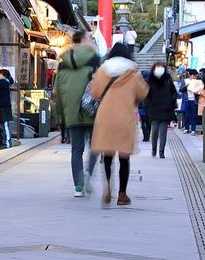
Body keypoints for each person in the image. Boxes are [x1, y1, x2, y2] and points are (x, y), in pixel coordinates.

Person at [89, 42, 149, 206]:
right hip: (125, 118)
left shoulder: (103, 71)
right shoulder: (133, 73)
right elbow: (143, 93)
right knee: (124, 158)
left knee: (107, 156)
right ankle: (122, 195)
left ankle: (107, 188)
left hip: (106, 117)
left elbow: (94, 92)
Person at [51, 31, 100, 198]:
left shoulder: (63, 62)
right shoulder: (94, 59)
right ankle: (87, 173)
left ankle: (78, 187)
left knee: (76, 150)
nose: (92, 40)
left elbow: (57, 93)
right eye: (90, 37)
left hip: (72, 113)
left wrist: (60, 117)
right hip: (92, 111)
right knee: (95, 147)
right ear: (84, 40)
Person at [144, 60, 178, 158]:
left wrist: (172, 100)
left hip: (166, 108)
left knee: (163, 131)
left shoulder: (168, 79)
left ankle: (161, 151)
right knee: (154, 130)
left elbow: (173, 92)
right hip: (154, 108)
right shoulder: (149, 80)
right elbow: (146, 94)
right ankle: (154, 148)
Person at [183, 70, 204, 134]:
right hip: (187, 100)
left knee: (194, 115)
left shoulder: (197, 81)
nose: (195, 77)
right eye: (194, 75)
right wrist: (186, 86)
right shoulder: (185, 81)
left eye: (196, 75)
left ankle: (193, 129)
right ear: (190, 75)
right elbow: (181, 90)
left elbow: (200, 89)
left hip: (194, 100)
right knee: (186, 115)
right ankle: (186, 128)